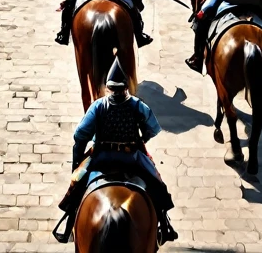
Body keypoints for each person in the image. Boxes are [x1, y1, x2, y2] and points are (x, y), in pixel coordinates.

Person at [53, 56, 177, 244]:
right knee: (157, 184)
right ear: (125, 86)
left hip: (101, 157)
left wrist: (77, 162)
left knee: (76, 186)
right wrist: (143, 138)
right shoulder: (137, 105)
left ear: (109, 87)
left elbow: (80, 136)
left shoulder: (98, 106)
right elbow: (152, 128)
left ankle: (69, 224)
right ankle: (164, 225)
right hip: (132, 157)